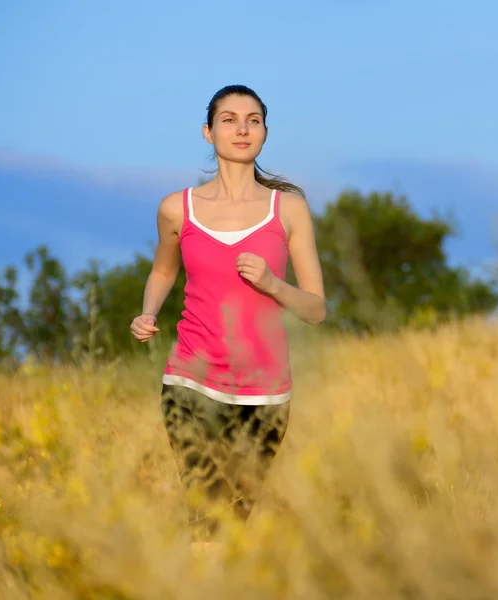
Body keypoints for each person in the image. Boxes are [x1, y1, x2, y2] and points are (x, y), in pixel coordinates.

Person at [130, 84, 326, 544]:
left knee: (234, 522)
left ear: (264, 133)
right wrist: (147, 312)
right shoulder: (177, 208)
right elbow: (163, 271)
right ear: (208, 132)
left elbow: (316, 310)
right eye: (229, 119)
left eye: (253, 120)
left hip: (266, 391)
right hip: (191, 380)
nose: (241, 128)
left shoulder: (289, 209)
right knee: (207, 513)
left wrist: (273, 285)